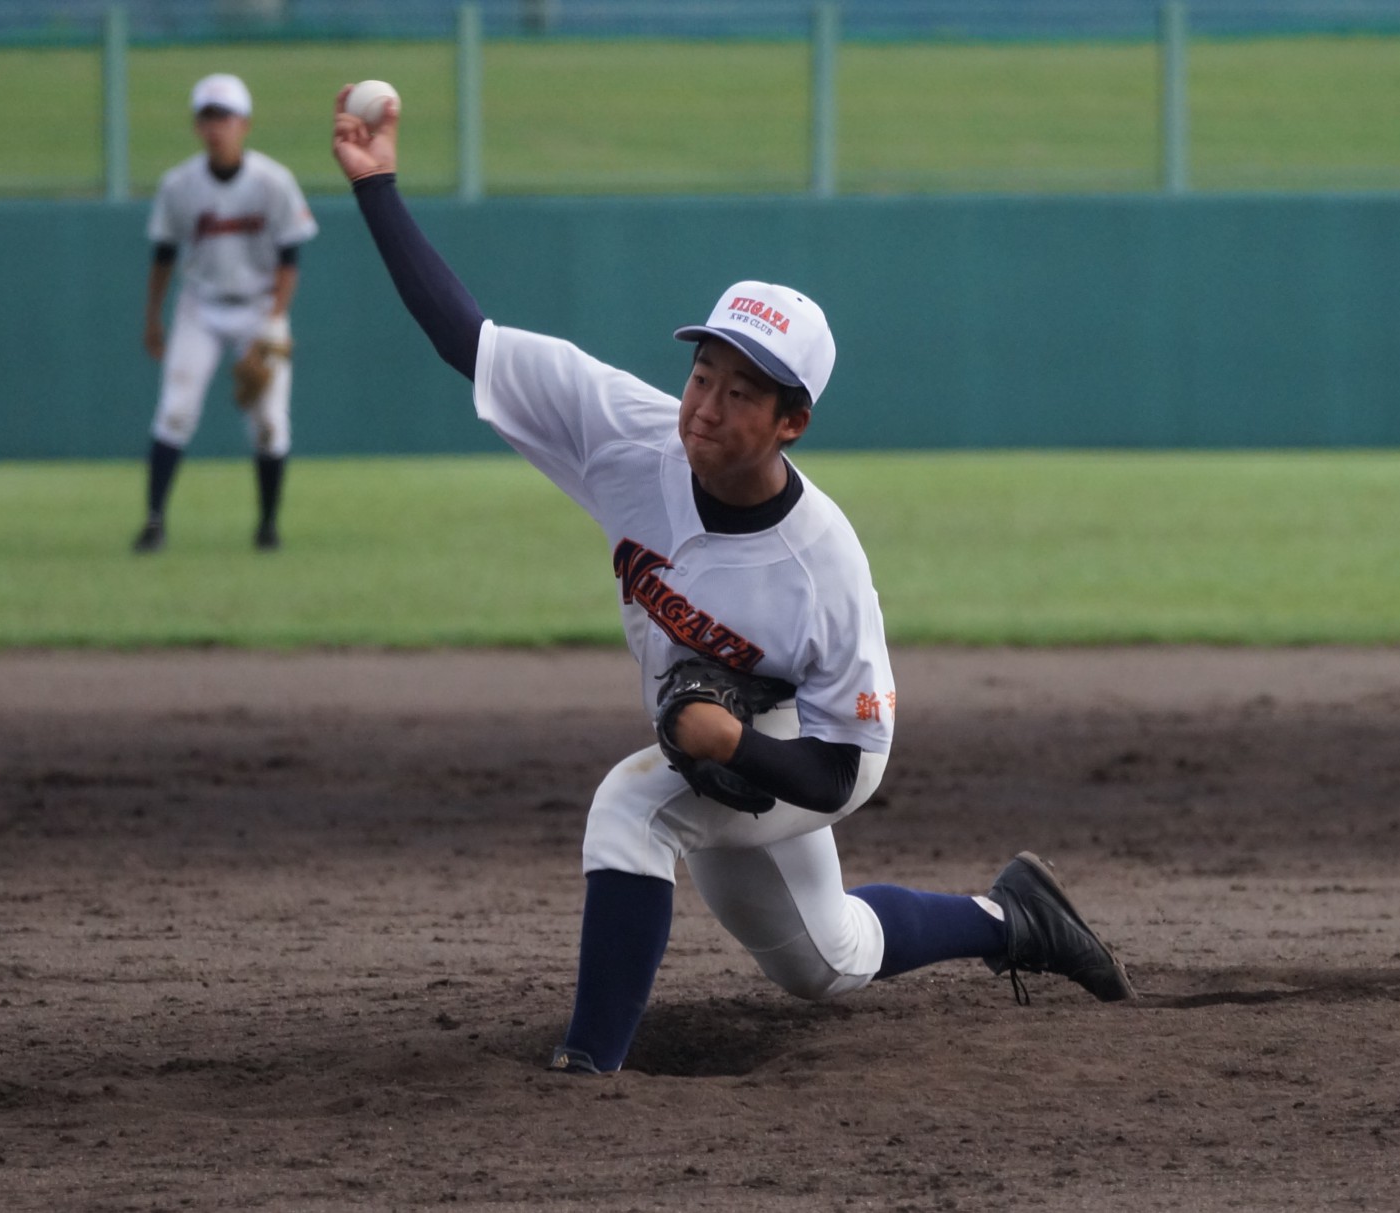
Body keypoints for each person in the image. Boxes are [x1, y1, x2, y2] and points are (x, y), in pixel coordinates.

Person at [330, 86, 1136, 1075]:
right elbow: (472, 342)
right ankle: (1015, 917)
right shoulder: (629, 434)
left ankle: (588, 1068)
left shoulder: (823, 565)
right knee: (824, 960)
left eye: (740, 390)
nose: (705, 405)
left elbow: (846, 769)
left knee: (631, 805)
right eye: (703, 374)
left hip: (811, 751)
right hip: (726, 734)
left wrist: (739, 744)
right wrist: (378, 190)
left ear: (791, 421)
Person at [133, 73, 319, 554]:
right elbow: (163, 256)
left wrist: (274, 322)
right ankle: (154, 522)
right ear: (197, 126)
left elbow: (289, 261)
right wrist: (153, 318)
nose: (217, 127)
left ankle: (268, 526)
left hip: (259, 304)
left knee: (270, 421)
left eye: (226, 117)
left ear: (245, 124)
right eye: (208, 117)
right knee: (174, 412)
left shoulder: (273, 182)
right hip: (200, 305)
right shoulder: (178, 185)